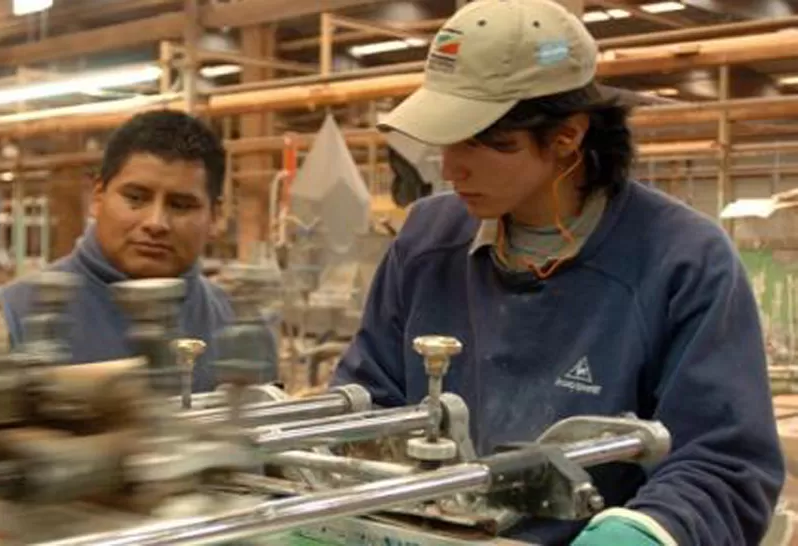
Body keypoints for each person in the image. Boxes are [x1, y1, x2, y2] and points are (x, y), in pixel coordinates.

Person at [330, 1, 784, 545]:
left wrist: (645, 532)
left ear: (567, 136)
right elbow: (368, 399)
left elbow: (723, 462)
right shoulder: (427, 242)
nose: (450, 168)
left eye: (481, 141)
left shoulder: (682, 261)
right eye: (447, 141)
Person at [0, 110, 241, 391]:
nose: (156, 223)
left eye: (181, 205)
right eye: (135, 198)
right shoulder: (6, 321)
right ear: (98, 196)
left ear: (215, 216)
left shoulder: (236, 323)